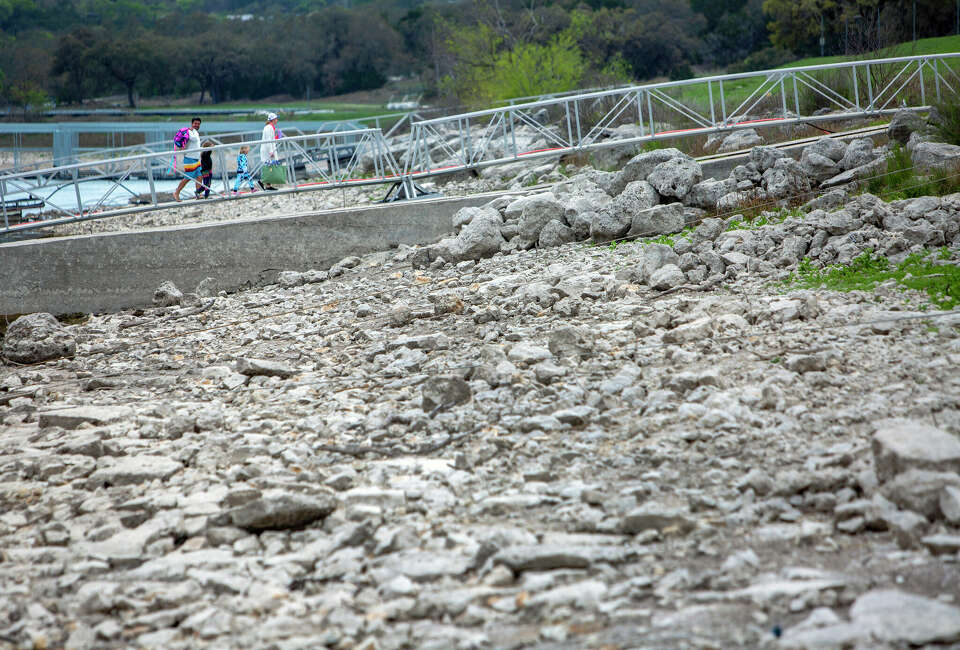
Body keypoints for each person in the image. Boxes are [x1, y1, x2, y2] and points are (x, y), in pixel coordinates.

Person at [173, 117, 202, 202]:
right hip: (189, 158)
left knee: (199, 176)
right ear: (192, 123)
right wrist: (190, 130)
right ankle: (176, 192)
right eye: (195, 123)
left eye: (198, 124)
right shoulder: (188, 131)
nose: (196, 125)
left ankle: (198, 194)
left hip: (196, 158)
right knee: (188, 177)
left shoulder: (195, 132)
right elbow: (193, 139)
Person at [258, 112, 280, 191]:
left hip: (268, 149)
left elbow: (271, 139)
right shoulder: (268, 128)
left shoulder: (270, 127)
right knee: (269, 167)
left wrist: (277, 137)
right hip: (267, 150)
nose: (277, 120)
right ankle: (262, 181)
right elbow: (268, 140)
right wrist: (271, 151)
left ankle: (268, 185)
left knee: (270, 167)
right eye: (276, 119)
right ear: (273, 120)